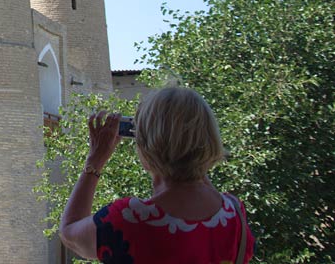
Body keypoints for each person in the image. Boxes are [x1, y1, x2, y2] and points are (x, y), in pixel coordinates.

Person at [59, 87, 255, 263]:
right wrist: (194, 158)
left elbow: (70, 232)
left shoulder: (129, 219)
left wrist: (95, 160)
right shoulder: (234, 213)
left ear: (147, 148)